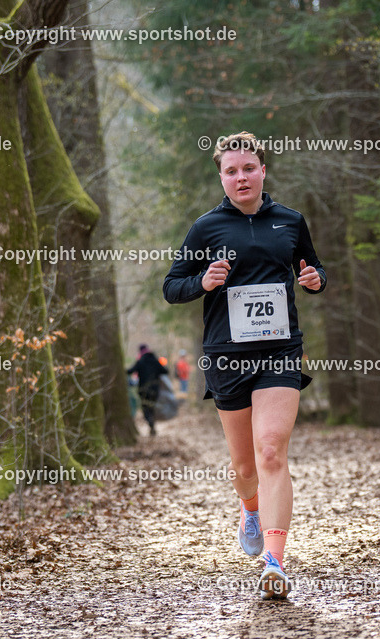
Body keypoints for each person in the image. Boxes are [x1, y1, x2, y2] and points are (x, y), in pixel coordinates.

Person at [163, 131, 326, 599]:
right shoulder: (206, 228)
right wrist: (204, 281)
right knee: (243, 464)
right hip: (226, 355)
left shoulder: (290, 221)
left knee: (271, 450)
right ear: (221, 176)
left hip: (279, 350)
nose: (241, 177)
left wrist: (314, 280)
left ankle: (274, 561)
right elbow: (172, 286)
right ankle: (249, 507)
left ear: (263, 171)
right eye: (231, 171)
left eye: (248, 168)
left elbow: (314, 272)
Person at [126, 344, 168, 436]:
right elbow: (165, 371)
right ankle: (152, 424)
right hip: (155, 390)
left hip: (143, 390)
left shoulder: (140, 361)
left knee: (145, 408)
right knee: (152, 407)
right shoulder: (155, 360)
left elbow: (130, 371)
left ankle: (150, 423)